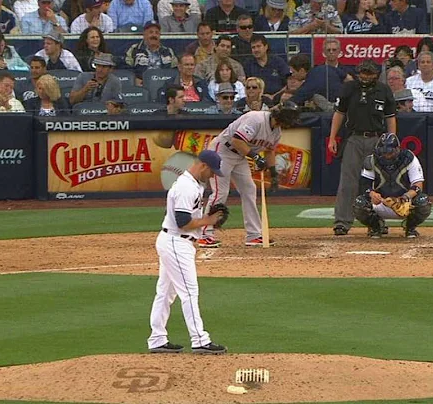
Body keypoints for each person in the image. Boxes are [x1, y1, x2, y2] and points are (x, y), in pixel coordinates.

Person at [148, 149, 228, 355]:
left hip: (174, 241)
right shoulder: (186, 187)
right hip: (176, 242)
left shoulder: (192, 184)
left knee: (165, 293)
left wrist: (205, 219)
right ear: (202, 166)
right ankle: (200, 340)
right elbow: (183, 223)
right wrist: (208, 221)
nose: (212, 176)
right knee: (189, 292)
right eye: (211, 172)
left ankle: (157, 339)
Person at [199, 102, 301, 247]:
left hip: (239, 156)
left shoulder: (276, 131)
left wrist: (273, 174)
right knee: (220, 193)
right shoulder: (256, 119)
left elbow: (269, 151)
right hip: (222, 151)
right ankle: (205, 233)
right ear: (283, 118)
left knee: (249, 189)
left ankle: (254, 235)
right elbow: (236, 140)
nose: (291, 124)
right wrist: (255, 157)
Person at [328, 60, 396, 236]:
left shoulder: (384, 90)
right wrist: (332, 137)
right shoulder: (350, 88)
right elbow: (339, 113)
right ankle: (342, 222)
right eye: (363, 73)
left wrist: (392, 139)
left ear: (376, 74)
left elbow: (390, 117)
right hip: (355, 138)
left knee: (378, 183)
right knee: (348, 182)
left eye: (369, 73)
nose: (365, 77)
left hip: (377, 140)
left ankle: (377, 222)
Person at [353, 133, 431, 238]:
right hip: (381, 202)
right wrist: (372, 194)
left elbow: (418, 185)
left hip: (404, 203)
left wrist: (404, 197)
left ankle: (410, 227)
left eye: (389, 152)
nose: (386, 156)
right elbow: (364, 185)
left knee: (423, 201)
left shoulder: (409, 158)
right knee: (359, 202)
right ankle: (376, 227)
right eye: (383, 152)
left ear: (397, 150)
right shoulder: (371, 160)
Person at [124, 22, 179, 86]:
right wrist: (133, 79)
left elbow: (175, 69)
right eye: (151, 32)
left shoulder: (168, 51)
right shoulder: (134, 49)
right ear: (144, 34)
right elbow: (126, 67)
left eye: (157, 33)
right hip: (142, 84)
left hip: (165, 85)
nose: (154, 35)